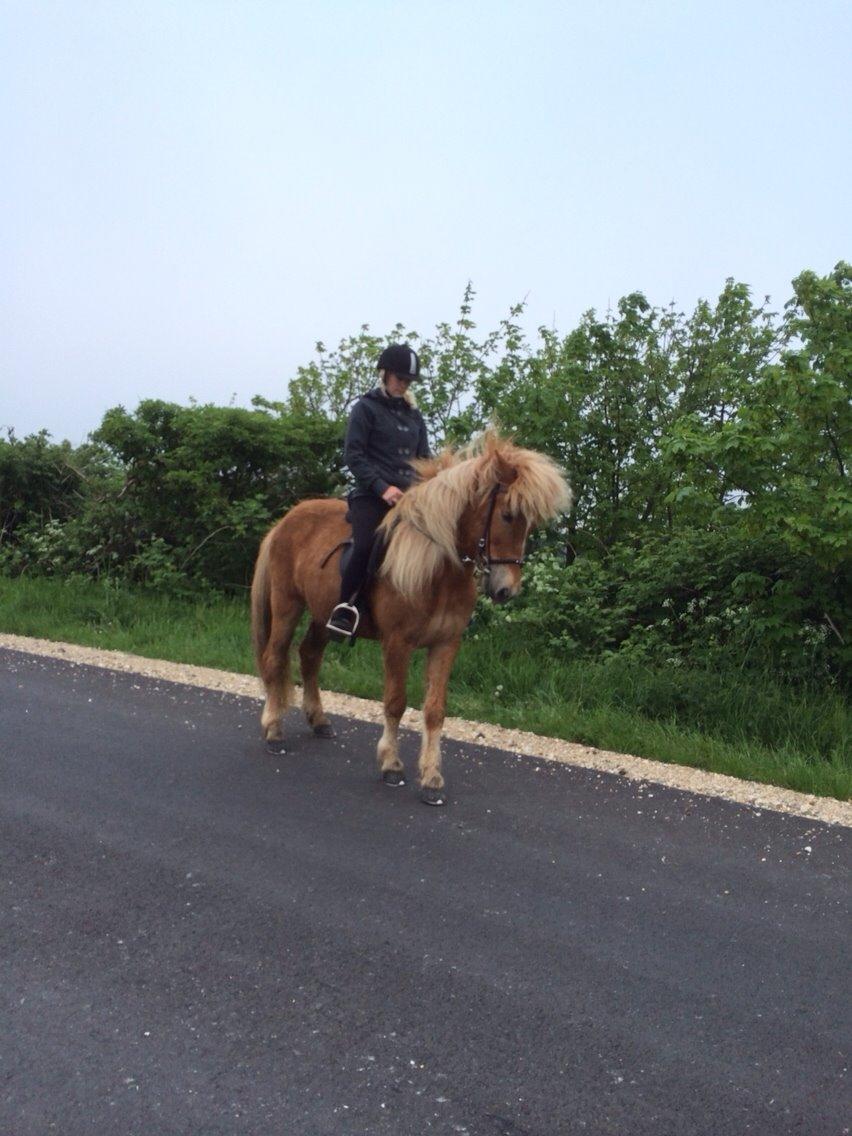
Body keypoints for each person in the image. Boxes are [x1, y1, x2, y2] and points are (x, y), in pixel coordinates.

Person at [326, 343, 431, 640]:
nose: (404, 385)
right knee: (365, 545)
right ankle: (345, 608)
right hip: (371, 496)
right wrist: (383, 488)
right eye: (400, 378)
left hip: (409, 499)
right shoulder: (365, 408)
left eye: (408, 381)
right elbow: (354, 456)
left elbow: (425, 459)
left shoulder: (415, 417)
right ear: (385, 374)